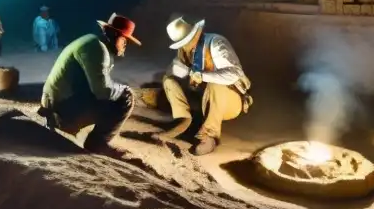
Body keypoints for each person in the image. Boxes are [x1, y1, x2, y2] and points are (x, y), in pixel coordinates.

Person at [38, 13, 139, 156]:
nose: (125, 45)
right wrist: (124, 90)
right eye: (124, 40)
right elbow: (102, 91)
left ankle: (69, 127)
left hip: (57, 105)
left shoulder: (92, 43)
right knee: (126, 97)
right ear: (115, 35)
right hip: (61, 110)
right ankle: (97, 144)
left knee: (115, 93)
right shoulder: (97, 49)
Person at [155, 16, 253, 156]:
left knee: (215, 84)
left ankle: (209, 136)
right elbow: (173, 69)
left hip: (229, 101)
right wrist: (179, 71)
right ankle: (183, 120)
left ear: (194, 33)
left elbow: (234, 73)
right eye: (181, 43)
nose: (185, 45)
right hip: (203, 99)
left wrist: (203, 76)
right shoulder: (184, 50)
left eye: (186, 40)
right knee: (169, 80)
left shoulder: (216, 43)